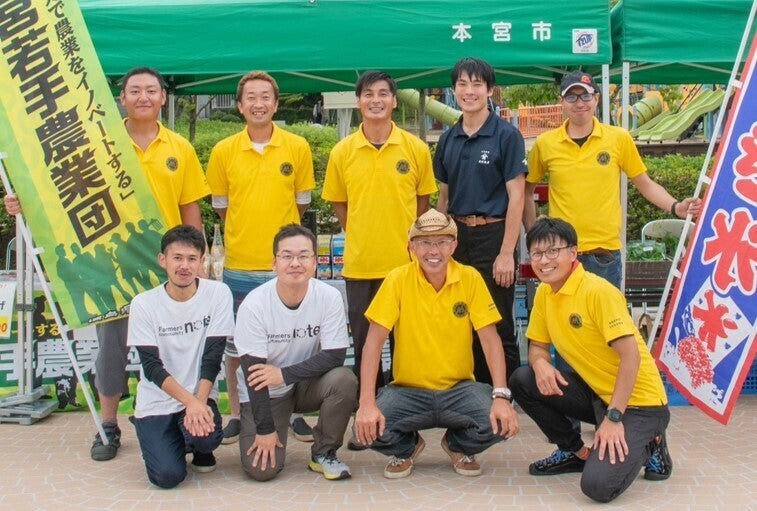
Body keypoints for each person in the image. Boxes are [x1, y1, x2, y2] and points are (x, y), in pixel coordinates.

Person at [3, 66, 210, 461]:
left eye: (151, 90)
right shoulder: (99, 143)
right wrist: (22, 202)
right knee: (112, 349)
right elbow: (60, 193)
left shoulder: (180, 148)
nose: (144, 97)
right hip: (115, 268)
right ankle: (109, 425)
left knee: (175, 347)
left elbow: (190, 208)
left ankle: (179, 419)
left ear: (163, 97)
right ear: (122, 98)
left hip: (169, 269)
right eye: (135, 91)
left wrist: (195, 258)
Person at [509, 217, 672, 503]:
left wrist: (614, 418)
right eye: (537, 253)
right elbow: (537, 347)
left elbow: (631, 356)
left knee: (598, 486)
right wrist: (540, 363)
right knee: (523, 379)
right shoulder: (545, 293)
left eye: (553, 251)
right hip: (597, 393)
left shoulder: (598, 292)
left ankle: (652, 441)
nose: (544, 260)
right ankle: (574, 451)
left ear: (573, 252)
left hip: (639, 403)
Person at [355, 209, 518, 479]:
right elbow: (373, 344)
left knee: (501, 422)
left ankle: (458, 444)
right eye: (425, 242)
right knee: (365, 429)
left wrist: (501, 395)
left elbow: (491, 341)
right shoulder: (397, 279)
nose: (434, 251)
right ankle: (407, 447)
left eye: (442, 242)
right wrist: (366, 402)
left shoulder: (470, 278)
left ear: (454, 245)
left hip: (459, 390)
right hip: (407, 391)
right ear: (411, 247)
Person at [206, 71, 316, 445]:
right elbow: (221, 207)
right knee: (236, 347)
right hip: (240, 265)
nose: (258, 103)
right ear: (240, 106)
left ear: (276, 103)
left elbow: (301, 204)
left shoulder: (297, 147)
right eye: (250, 97)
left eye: (265, 96)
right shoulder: (223, 151)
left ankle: (296, 413)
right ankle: (238, 414)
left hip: (288, 266)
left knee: (296, 342)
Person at [524, 70, 702, 289]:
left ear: (596, 99)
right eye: (571, 97)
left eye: (586, 96)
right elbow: (526, 191)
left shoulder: (618, 138)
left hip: (604, 254)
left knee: (606, 312)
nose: (579, 103)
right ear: (562, 101)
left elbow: (645, 184)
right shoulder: (545, 143)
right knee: (561, 312)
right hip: (561, 254)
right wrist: (535, 236)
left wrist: (676, 206)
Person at [322, 70, 437, 394]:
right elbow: (340, 204)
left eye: (383, 93)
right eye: (368, 94)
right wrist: (362, 232)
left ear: (394, 101)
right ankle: (367, 408)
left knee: (406, 345)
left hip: (405, 266)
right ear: (358, 101)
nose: (376, 100)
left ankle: (403, 410)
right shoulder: (342, 152)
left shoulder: (415, 148)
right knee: (364, 345)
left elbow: (422, 203)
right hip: (360, 266)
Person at [233, 224, 357, 481]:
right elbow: (254, 376)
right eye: (287, 256)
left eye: (303, 256)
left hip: (303, 384)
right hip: (266, 392)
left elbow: (335, 355)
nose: (295, 263)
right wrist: (265, 430)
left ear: (314, 262)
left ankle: (324, 453)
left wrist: (284, 374)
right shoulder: (254, 305)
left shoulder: (329, 296)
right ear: (274, 263)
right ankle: (269, 427)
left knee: (343, 380)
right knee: (262, 471)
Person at [434, 57, 526, 385]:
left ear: (489, 90)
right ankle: (471, 391)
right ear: (454, 90)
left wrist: (507, 253)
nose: (469, 91)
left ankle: (506, 393)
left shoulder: (507, 136)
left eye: (476, 84)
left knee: (497, 321)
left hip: (494, 236)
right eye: (462, 84)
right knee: (461, 317)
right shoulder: (448, 140)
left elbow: (517, 196)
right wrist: (437, 245)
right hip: (458, 239)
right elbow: (444, 200)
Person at [128, 225, 234, 488]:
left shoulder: (218, 293)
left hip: (200, 393)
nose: (184, 266)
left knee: (207, 437)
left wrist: (199, 402)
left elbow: (213, 357)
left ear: (201, 261)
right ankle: (163, 436)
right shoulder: (143, 303)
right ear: (163, 260)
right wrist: (191, 404)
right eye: (177, 258)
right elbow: (152, 367)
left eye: (191, 259)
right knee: (167, 477)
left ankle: (198, 446)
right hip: (158, 400)